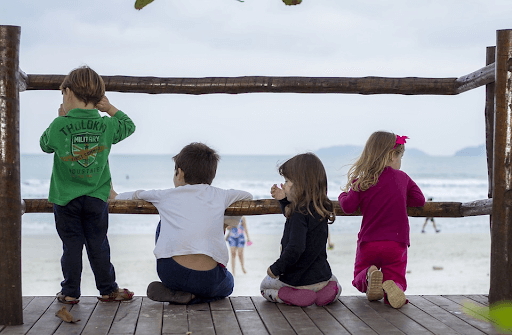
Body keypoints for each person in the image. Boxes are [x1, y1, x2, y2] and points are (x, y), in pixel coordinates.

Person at [39, 66, 136, 304]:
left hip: (66, 199)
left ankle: (70, 292)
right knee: (98, 244)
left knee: (71, 246)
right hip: (95, 197)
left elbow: (44, 144)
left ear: (69, 93)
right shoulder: (106, 125)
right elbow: (129, 125)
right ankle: (107, 289)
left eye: (63, 95)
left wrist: (61, 117)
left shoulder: (59, 124)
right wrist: (109, 108)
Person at [115, 143, 253, 304]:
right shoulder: (221, 195)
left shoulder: (165, 195)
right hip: (209, 278)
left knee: (163, 224)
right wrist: (224, 223)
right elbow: (247, 196)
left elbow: (134, 195)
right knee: (229, 283)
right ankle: (196, 297)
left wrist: (114, 196)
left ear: (179, 173)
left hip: (172, 273)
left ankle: (180, 293)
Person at [338, 131, 425, 309]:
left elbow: (348, 207)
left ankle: (370, 275)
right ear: (392, 155)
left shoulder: (363, 180)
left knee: (358, 275)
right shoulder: (403, 178)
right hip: (396, 242)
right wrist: (399, 196)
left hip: (369, 242)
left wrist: (343, 195)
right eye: (400, 157)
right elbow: (419, 200)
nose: (400, 162)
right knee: (396, 276)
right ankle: (394, 289)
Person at [260, 153, 341, 307]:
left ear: (300, 186)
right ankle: (326, 293)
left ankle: (289, 295)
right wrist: (284, 199)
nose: (283, 185)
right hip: (321, 279)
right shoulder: (321, 208)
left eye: (287, 181)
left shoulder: (298, 213)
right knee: (334, 281)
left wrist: (276, 268)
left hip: (295, 281)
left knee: (264, 287)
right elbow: (290, 212)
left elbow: (296, 248)